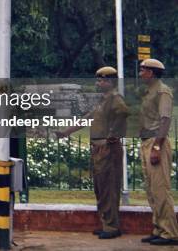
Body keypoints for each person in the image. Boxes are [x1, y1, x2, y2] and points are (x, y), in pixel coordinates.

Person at [56, 66, 128, 239]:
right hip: (98, 148)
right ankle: (106, 223)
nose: (98, 83)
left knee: (109, 187)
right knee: (100, 187)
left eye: (101, 80)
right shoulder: (103, 100)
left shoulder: (115, 99)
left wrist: (113, 134)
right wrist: (67, 132)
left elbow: (124, 114)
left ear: (110, 81)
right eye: (98, 79)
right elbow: (87, 118)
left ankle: (112, 227)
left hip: (108, 149)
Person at [138, 58, 178, 246]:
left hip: (157, 142)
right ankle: (159, 229)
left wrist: (156, 147)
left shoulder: (163, 91)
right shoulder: (148, 92)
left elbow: (165, 119)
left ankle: (169, 232)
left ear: (151, 73)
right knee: (152, 190)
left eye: (143, 70)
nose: (140, 74)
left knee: (161, 190)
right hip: (147, 141)